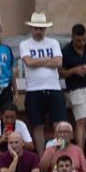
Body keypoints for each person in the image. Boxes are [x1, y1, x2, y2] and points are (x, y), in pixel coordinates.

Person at [19, 13, 64, 150]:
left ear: (45, 29)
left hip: (54, 88)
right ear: (31, 28)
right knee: (38, 127)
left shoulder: (53, 42)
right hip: (34, 90)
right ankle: (41, 161)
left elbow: (59, 62)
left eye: (41, 28)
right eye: (36, 28)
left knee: (59, 126)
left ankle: (60, 158)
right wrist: (48, 60)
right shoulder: (24, 44)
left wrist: (37, 62)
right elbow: (28, 62)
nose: (38, 31)